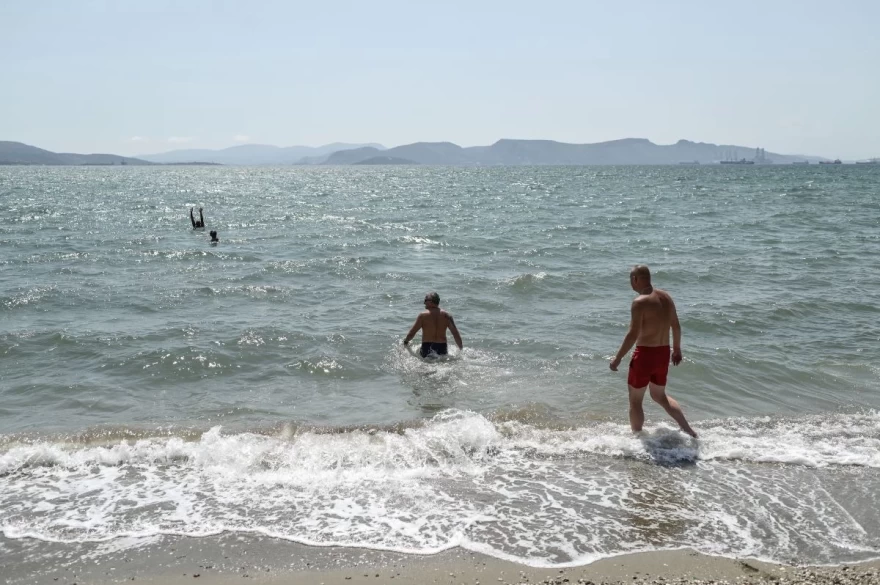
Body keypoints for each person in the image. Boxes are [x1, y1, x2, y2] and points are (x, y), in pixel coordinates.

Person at [609, 265, 697, 438]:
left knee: (635, 401)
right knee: (660, 396)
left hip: (645, 355)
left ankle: (637, 438)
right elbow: (676, 326)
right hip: (663, 353)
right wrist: (677, 349)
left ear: (636, 279)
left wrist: (618, 358)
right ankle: (688, 430)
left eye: (631, 280)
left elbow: (632, 334)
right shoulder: (666, 297)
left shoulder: (639, 302)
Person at [403, 292, 463, 358]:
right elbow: (455, 334)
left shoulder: (423, 316)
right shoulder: (447, 315)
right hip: (442, 347)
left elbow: (412, 333)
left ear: (431, 302)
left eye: (425, 300)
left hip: (427, 347)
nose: (424, 303)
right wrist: (461, 349)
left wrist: (405, 342)